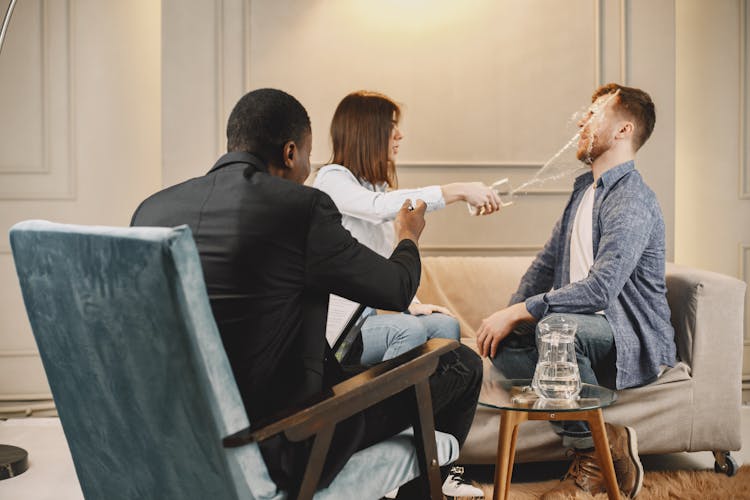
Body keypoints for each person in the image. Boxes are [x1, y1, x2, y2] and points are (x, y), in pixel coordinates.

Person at [130, 88, 483, 499]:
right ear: (290, 152)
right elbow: (396, 288)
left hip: (178, 436)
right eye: (308, 156)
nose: (309, 168)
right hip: (288, 438)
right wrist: (408, 237)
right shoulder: (301, 209)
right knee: (459, 364)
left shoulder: (153, 211)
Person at [475, 83, 676, 499]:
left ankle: (591, 457)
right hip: (576, 332)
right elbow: (545, 266)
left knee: (555, 327)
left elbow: (601, 290)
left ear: (622, 130)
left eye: (595, 112)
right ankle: (608, 437)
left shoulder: (633, 199)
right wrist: (507, 316)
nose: (583, 120)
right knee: (508, 342)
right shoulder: (584, 190)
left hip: (626, 336)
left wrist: (522, 313)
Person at [314, 90, 502, 365]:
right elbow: (377, 207)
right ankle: (388, 409)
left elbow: (380, 262)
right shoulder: (331, 179)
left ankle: (432, 408)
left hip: (366, 322)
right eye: (392, 127)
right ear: (368, 131)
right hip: (337, 335)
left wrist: (413, 304)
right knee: (408, 331)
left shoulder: (374, 187)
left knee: (445, 326)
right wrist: (457, 190)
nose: (399, 135)